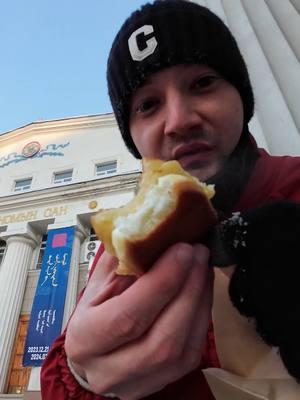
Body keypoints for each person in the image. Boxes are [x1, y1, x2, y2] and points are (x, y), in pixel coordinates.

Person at [40, 1, 300, 399]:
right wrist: (81, 375)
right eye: (148, 105)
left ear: (241, 96)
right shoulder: (121, 253)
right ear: (132, 135)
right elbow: (67, 374)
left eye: (203, 83)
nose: (179, 121)